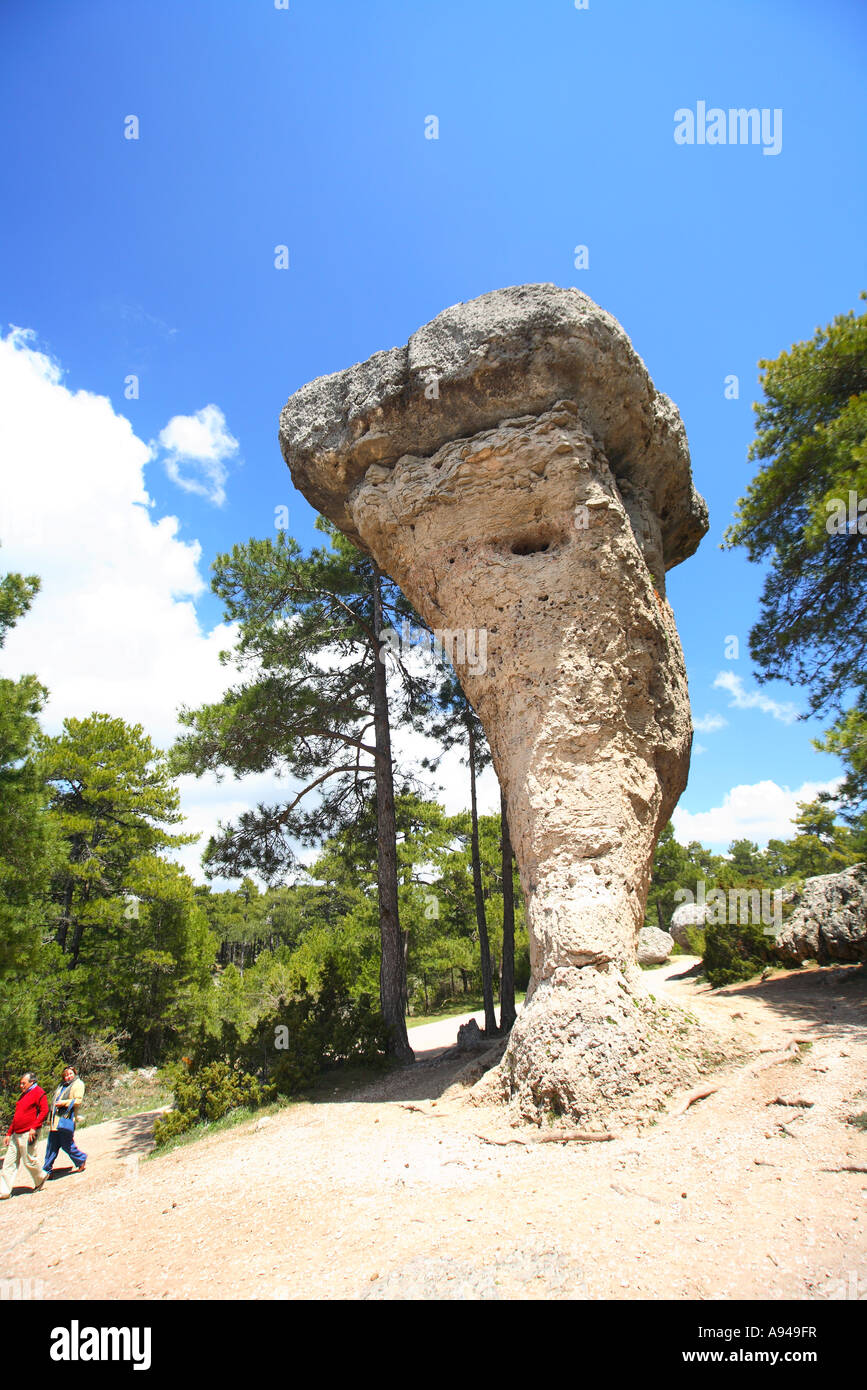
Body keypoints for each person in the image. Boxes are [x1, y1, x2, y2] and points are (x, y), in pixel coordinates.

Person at [1, 1072, 49, 1199]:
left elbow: (44, 1110)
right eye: (21, 1083)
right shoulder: (23, 1096)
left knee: (29, 1160)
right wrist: (9, 1133)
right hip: (16, 1133)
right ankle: (4, 1191)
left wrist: (34, 1127)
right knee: (8, 1162)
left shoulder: (38, 1092)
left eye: (24, 1083)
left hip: (29, 1132)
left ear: (31, 1082)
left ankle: (40, 1178)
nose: (21, 1085)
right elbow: (17, 1117)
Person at [42, 1065, 87, 1178]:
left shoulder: (78, 1084)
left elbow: (78, 1101)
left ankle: (81, 1159)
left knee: (67, 1144)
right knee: (51, 1146)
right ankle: (46, 1170)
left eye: (70, 1074)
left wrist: (62, 1103)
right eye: (66, 1075)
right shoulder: (61, 1086)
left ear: (74, 1073)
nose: (68, 1077)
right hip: (55, 1120)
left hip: (65, 1119)